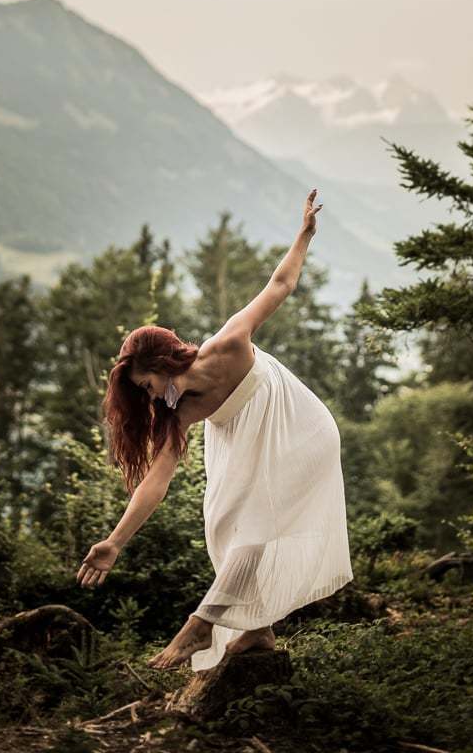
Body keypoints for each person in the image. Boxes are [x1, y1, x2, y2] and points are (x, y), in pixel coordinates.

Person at [76, 188, 353, 671]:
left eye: (147, 385)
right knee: (223, 523)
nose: (148, 397)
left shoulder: (227, 344)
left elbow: (280, 285)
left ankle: (198, 626)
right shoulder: (176, 412)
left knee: (256, 527)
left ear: (163, 364)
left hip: (295, 428)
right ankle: (256, 631)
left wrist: (304, 235)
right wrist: (114, 542)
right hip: (242, 439)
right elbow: (154, 484)